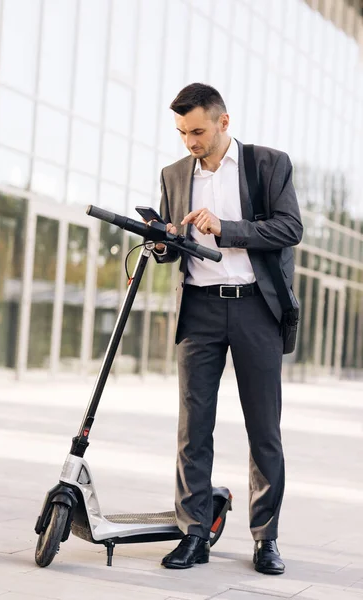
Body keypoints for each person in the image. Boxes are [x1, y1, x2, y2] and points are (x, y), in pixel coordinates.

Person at [154, 83, 303, 574]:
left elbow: (289, 229)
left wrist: (227, 228)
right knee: (191, 431)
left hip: (255, 309)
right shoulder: (174, 174)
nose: (189, 142)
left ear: (223, 122)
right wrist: (163, 242)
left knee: (264, 429)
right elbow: (175, 247)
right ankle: (193, 534)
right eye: (181, 133)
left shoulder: (267, 164)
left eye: (197, 131)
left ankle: (266, 538)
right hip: (199, 310)